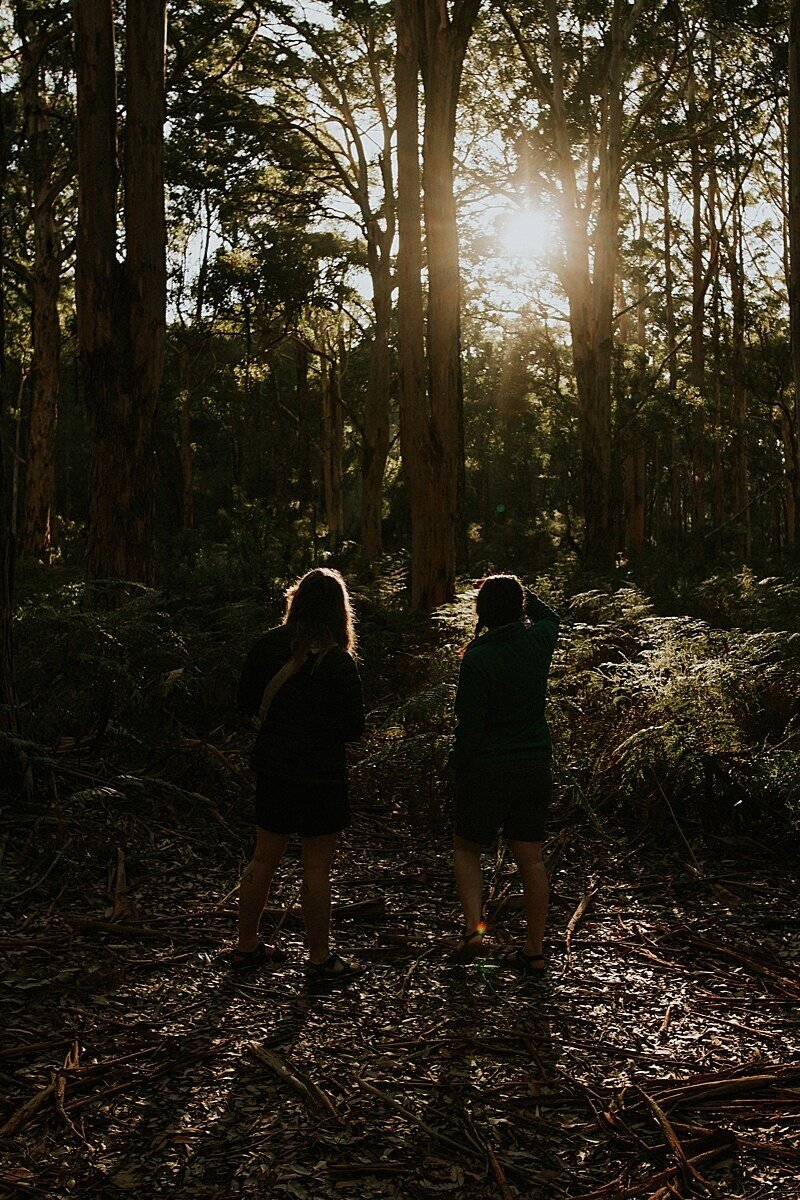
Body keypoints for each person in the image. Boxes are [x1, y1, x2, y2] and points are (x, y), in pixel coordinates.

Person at [232, 567, 365, 980]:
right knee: (316, 868)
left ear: (297, 600)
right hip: (322, 777)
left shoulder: (268, 646)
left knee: (263, 859)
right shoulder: (339, 661)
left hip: (274, 770)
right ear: (339, 610)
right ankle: (320, 958)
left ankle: (246, 946)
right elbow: (354, 729)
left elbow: (246, 704)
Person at [448, 575, 559, 974]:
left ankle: (474, 933)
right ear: (520, 607)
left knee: (467, 849)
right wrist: (520, 587)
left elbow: (469, 725)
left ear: (482, 613)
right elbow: (551, 615)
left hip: (486, 770)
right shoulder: (538, 642)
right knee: (530, 858)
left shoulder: (477, 658)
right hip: (533, 766)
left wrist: (457, 762)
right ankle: (534, 949)